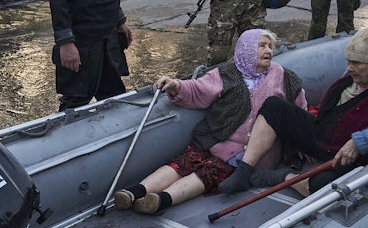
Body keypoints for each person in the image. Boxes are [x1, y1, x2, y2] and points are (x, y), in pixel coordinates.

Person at [113, 29, 306, 214]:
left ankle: (161, 200)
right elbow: (198, 90)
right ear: (246, 49)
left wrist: (302, 146)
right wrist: (175, 86)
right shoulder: (226, 73)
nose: (269, 51)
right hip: (216, 140)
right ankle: (135, 192)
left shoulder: (284, 77)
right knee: (183, 161)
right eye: (262, 46)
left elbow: (299, 113)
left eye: (270, 46)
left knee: (209, 172)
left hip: (254, 155)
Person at [218, 29, 368, 196]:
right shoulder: (355, 73)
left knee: (320, 187)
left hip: (349, 154)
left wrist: (359, 142)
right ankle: (244, 172)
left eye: (356, 63)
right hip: (323, 133)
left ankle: (281, 177)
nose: (349, 68)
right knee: (274, 105)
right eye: (349, 61)